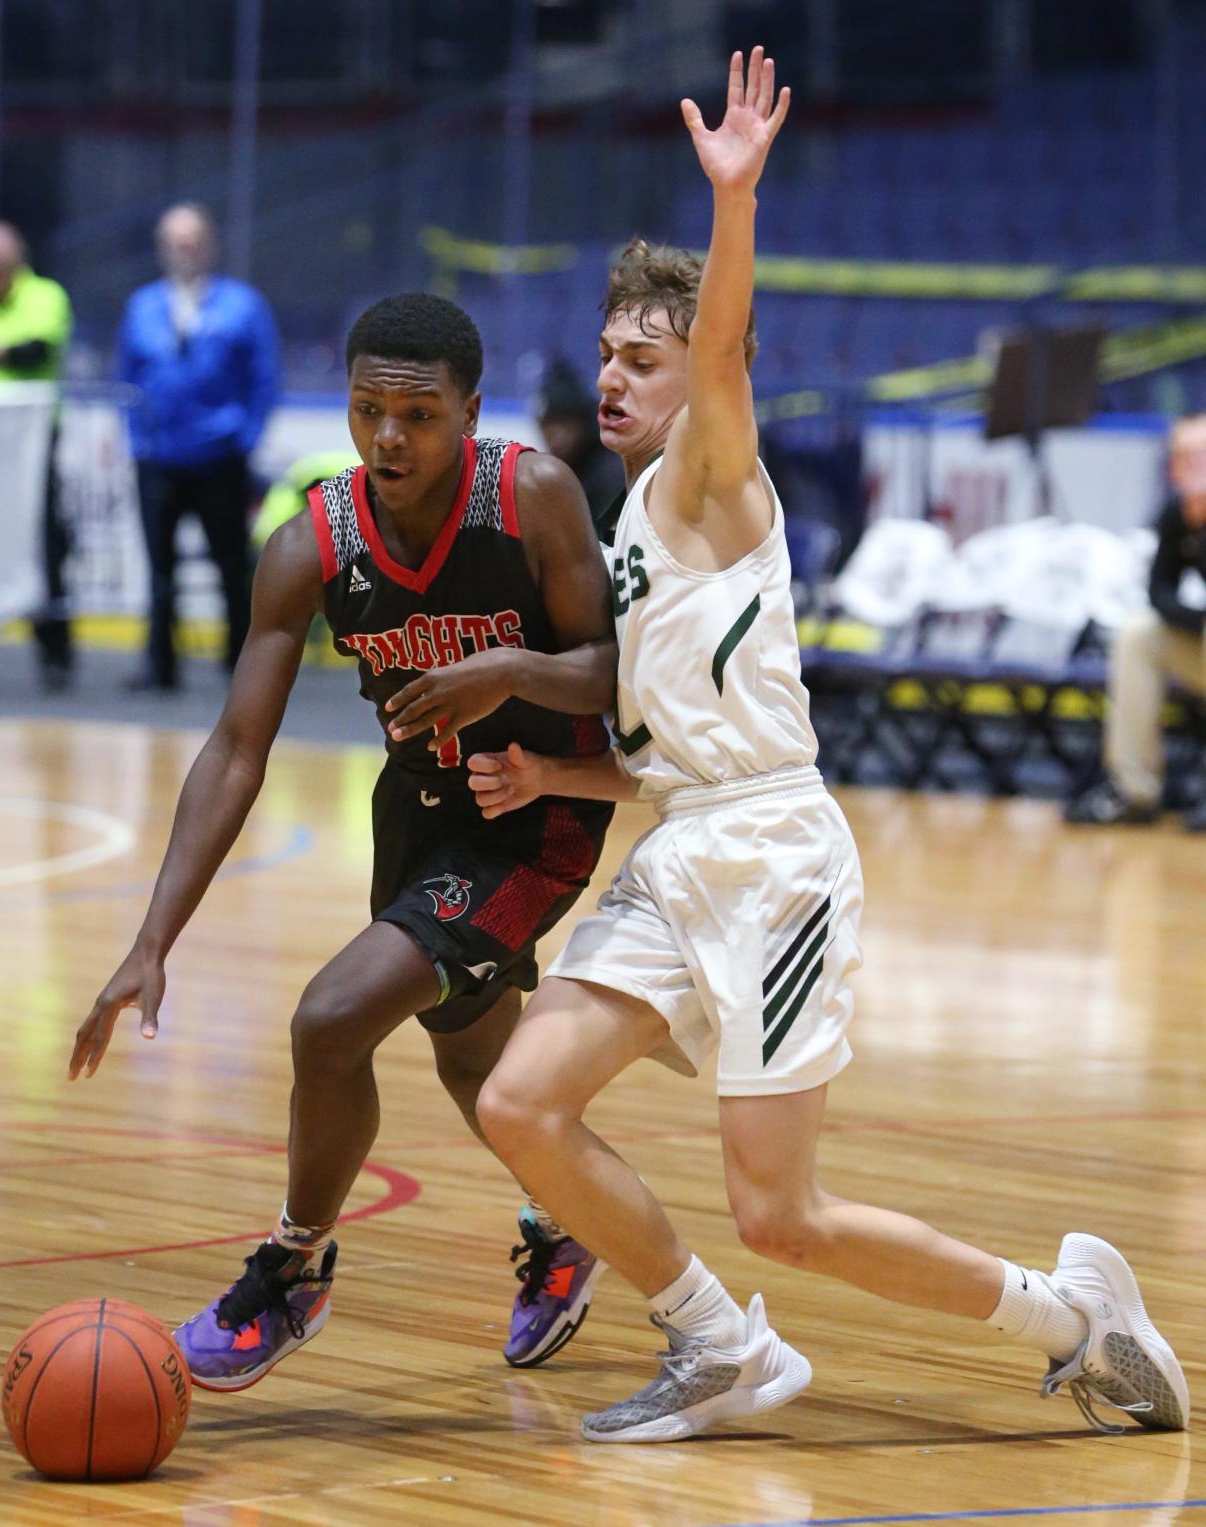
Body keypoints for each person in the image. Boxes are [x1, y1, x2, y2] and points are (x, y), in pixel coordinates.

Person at [470, 48, 1189, 1443]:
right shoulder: (633, 520)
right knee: (520, 1099)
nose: (614, 375)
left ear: (695, 376)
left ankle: (1073, 1315)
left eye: (644, 356)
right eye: (607, 351)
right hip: (685, 842)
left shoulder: (708, 468)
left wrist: (732, 204)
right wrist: (560, 774)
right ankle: (712, 1341)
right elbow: (672, 745)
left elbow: (728, 344)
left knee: (778, 1211)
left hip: (774, 858)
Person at [70, 292, 618, 1390]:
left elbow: (618, 671)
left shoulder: (533, 498)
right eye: (368, 410)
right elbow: (235, 749)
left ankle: (293, 1267)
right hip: (418, 812)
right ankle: (568, 1230)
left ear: (470, 410)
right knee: (475, 1061)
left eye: (417, 415)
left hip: (537, 813)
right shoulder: (313, 540)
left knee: (329, 1021)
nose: (388, 438)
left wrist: (506, 671)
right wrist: (151, 939)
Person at [116, 203, 280, 691]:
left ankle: (240, 666)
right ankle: (161, 667)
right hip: (158, 459)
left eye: (192, 240)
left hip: (220, 458)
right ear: (161, 247)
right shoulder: (142, 306)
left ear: (210, 245)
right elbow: (126, 379)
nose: (184, 250)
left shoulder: (243, 305)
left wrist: (243, 439)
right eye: (174, 241)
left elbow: (265, 380)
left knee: (232, 567)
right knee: (160, 572)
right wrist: (136, 438)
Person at [1066, 412, 1206, 830]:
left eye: (1201, 456)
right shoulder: (1178, 516)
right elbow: (1159, 592)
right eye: (1183, 457)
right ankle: (1134, 789)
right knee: (1138, 634)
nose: (1191, 467)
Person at [0, 221, 74, 688]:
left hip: (29, 446)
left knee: (43, 541)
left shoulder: (45, 295)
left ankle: (54, 649)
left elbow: (37, 350)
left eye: (1, 262)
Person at [537, 356, 626, 542]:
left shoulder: (610, 473)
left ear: (583, 423)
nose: (555, 435)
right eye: (547, 424)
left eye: (564, 423)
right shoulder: (561, 471)